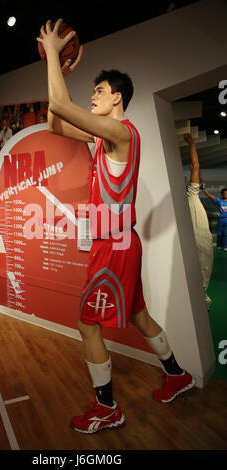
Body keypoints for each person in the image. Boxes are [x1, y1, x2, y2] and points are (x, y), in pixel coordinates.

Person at [38, 19, 195, 434]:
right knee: (140, 316)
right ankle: (177, 375)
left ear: (117, 99)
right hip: (121, 243)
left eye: (99, 92)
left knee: (86, 324)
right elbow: (55, 122)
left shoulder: (121, 133)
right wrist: (60, 74)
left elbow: (59, 106)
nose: (93, 97)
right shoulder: (104, 138)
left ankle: (107, 407)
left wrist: (54, 54)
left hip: (114, 246)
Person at [183, 134, 213, 310]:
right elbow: (195, 166)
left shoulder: (190, 198)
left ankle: (199, 298)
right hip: (200, 239)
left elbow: (196, 169)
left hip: (196, 239)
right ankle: (202, 298)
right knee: (204, 269)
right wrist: (192, 144)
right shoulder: (192, 195)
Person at [203, 187, 227, 251]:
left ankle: (225, 246)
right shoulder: (219, 201)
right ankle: (219, 245)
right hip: (221, 220)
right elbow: (211, 197)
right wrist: (204, 191)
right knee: (219, 234)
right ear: (222, 194)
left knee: (226, 234)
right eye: (224, 193)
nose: (226, 194)